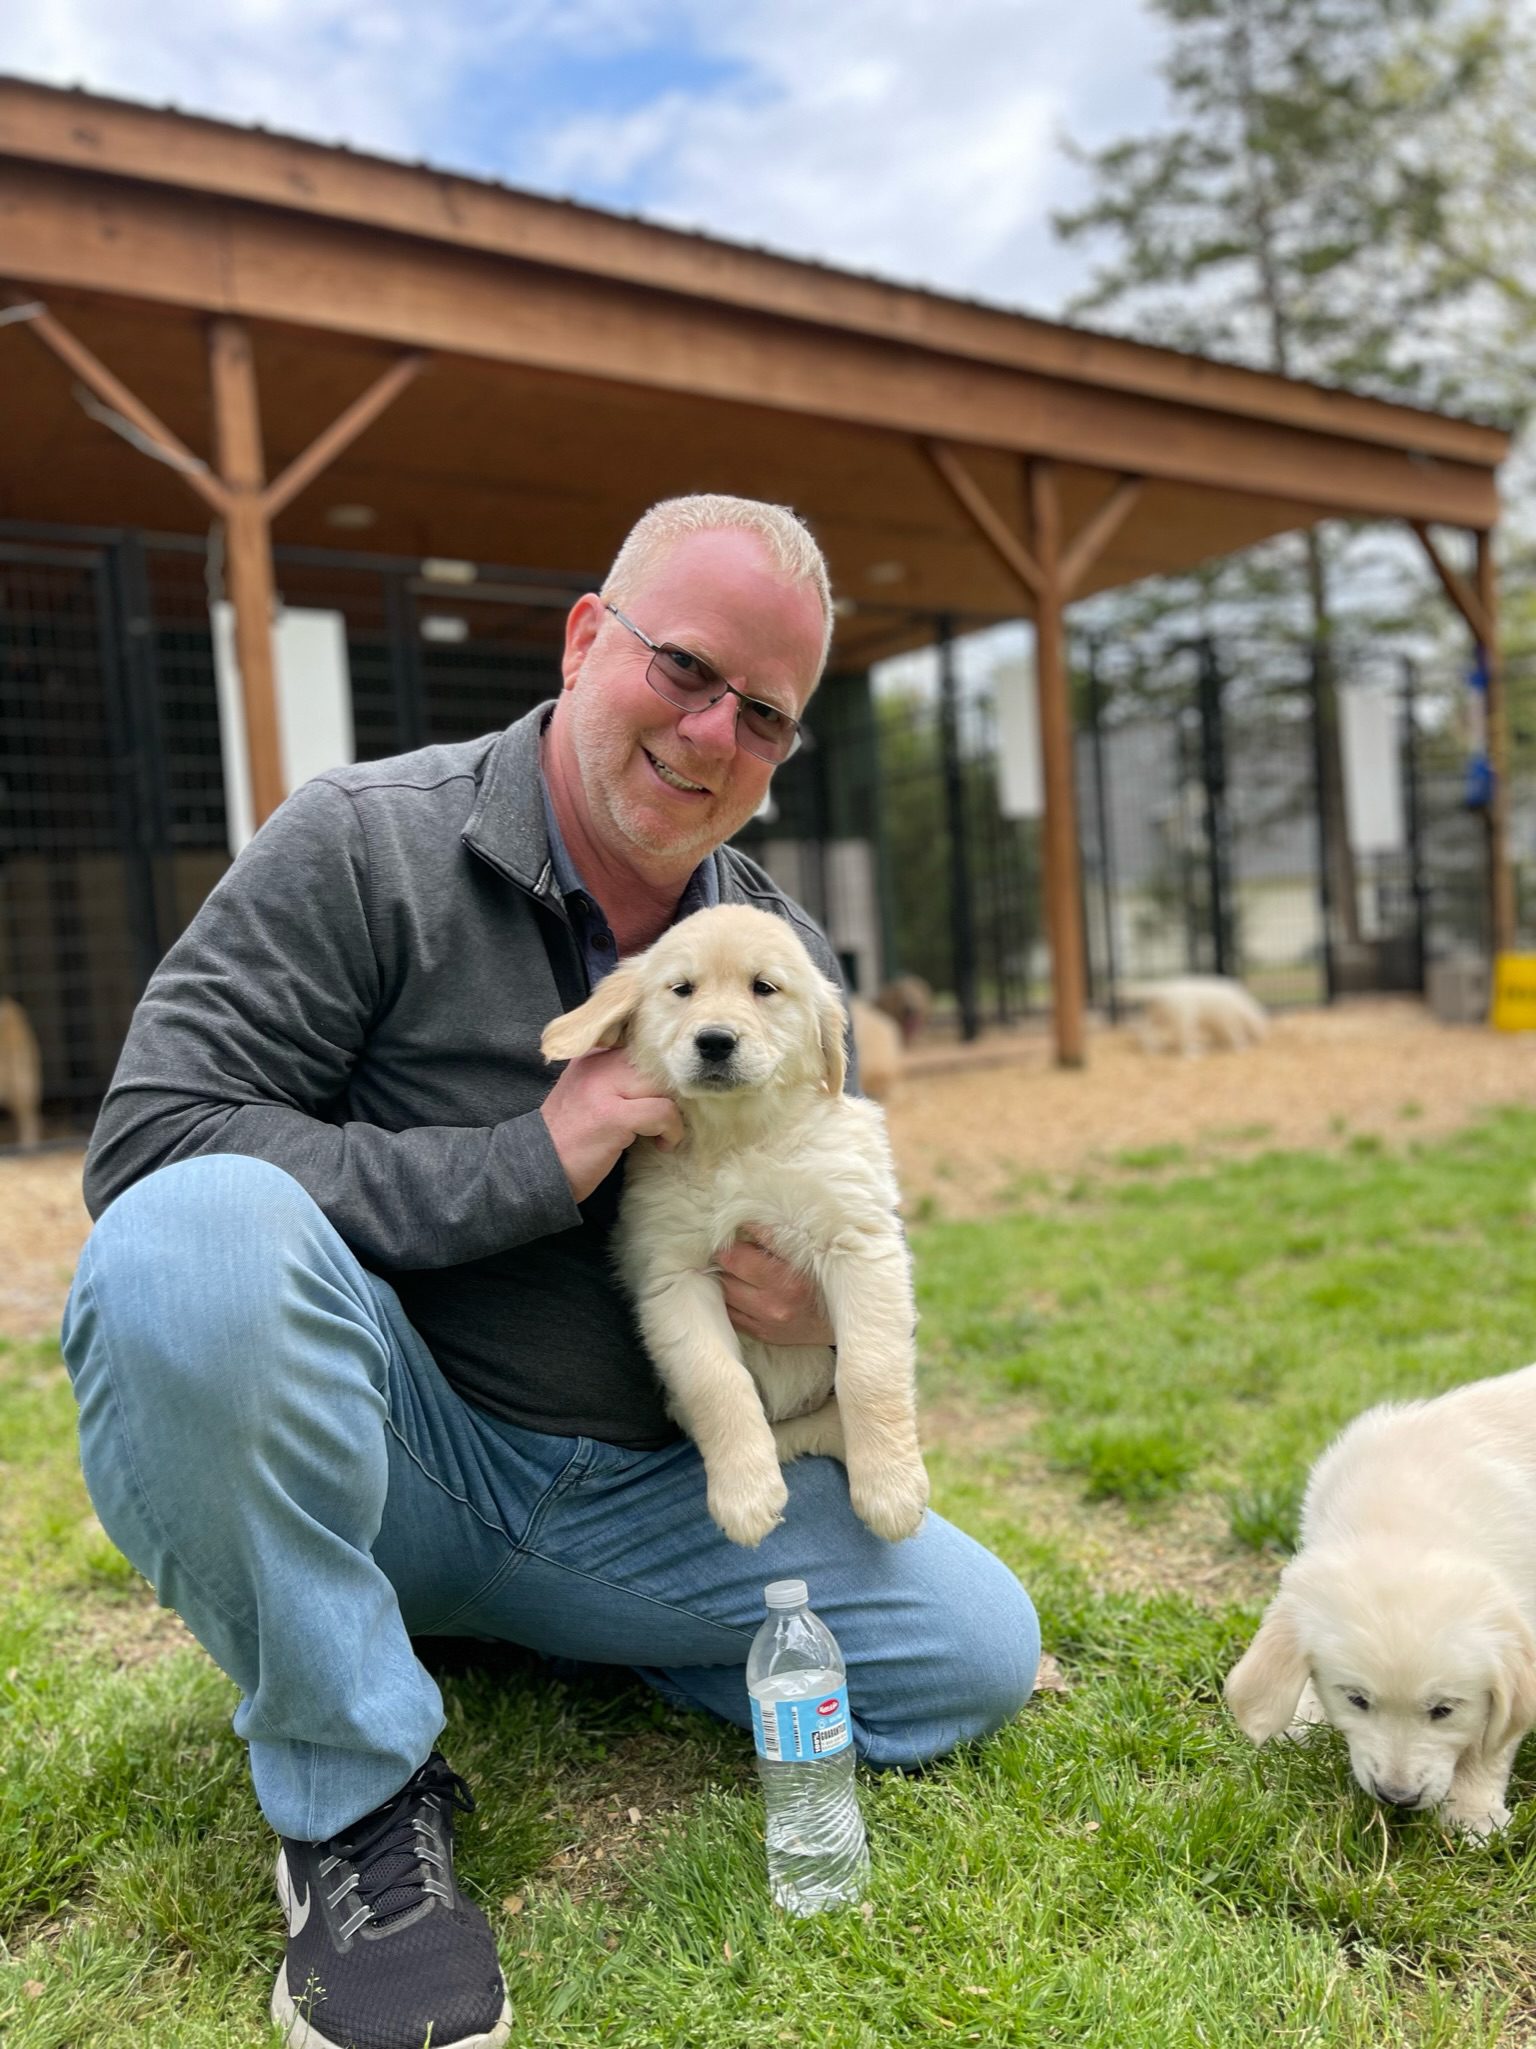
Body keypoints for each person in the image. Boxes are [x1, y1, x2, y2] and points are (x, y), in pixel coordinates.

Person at [62, 494, 1040, 2049]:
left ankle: (542, 1622)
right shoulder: (364, 841)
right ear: (590, 638)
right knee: (189, 1246)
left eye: (766, 715)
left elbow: (852, 1213)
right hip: (408, 1451)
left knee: (972, 1655)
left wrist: (815, 1326)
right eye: (685, 668)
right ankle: (358, 1798)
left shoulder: (769, 954)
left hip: (644, 1493)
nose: (714, 731)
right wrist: (536, 1154)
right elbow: (151, 1138)